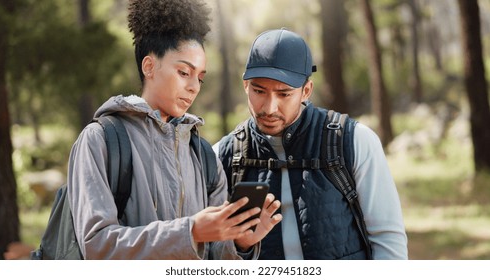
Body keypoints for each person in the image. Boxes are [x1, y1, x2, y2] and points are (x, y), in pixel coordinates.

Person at [66, 0, 281, 260]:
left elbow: (218, 260)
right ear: (149, 67)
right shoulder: (101, 139)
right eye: (183, 72)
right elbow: (97, 246)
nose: (194, 87)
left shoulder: (203, 155)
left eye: (200, 77)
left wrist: (240, 243)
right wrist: (189, 233)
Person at [214, 29, 408, 259]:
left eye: (284, 94)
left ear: (306, 91)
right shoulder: (223, 155)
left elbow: (388, 239)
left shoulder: (354, 140)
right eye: (259, 91)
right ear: (245, 85)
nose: (269, 108)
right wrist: (241, 246)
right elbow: (210, 253)